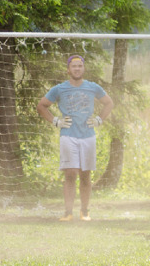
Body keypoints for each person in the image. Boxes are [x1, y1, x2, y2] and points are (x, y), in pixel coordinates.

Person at [37, 55, 114, 222]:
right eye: (74, 66)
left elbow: (109, 103)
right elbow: (41, 105)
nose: (77, 69)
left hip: (88, 136)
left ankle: (84, 211)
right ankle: (68, 212)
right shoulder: (60, 89)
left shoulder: (92, 87)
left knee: (85, 175)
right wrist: (56, 121)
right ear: (68, 69)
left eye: (80, 66)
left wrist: (99, 119)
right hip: (68, 135)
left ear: (83, 69)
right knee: (70, 173)